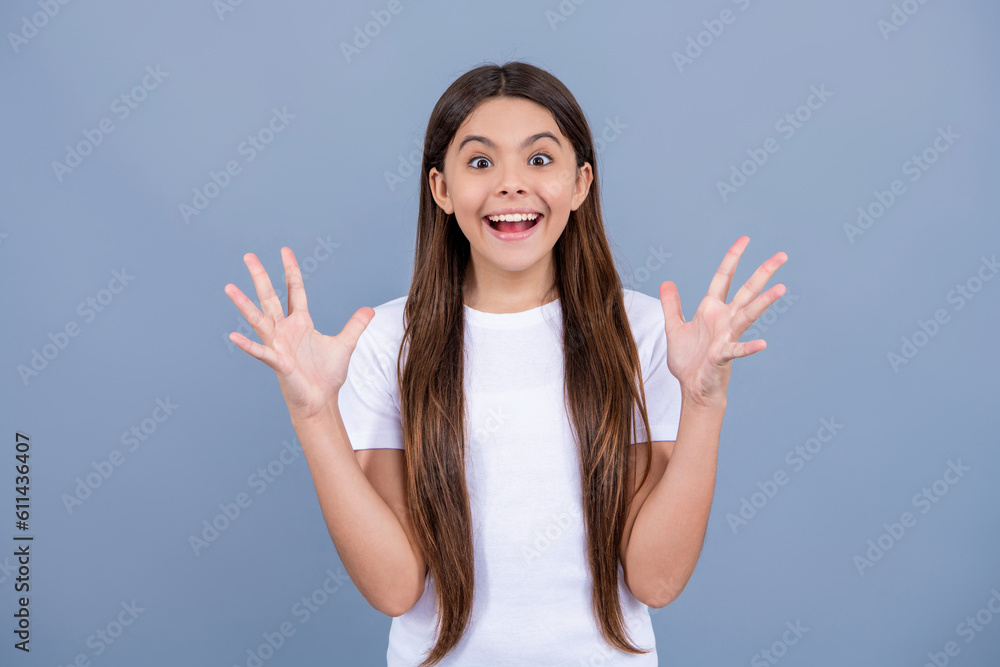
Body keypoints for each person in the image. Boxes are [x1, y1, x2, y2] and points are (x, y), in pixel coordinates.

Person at [224, 60, 788, 666]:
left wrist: (704, 403)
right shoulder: (389, 340)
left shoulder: (647, 333)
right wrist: (315, 417)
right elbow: (394, 587)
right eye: (481, 161)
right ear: (441, 189)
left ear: (580, 184)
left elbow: (656, 580)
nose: (512, 184)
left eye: (540, 159)